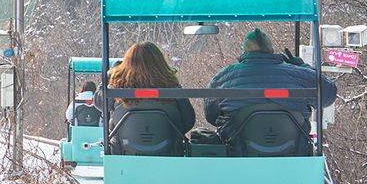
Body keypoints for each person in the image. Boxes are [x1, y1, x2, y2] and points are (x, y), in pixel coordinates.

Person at [204, 29, 336, 126]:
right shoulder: (300, 75)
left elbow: (211, 116)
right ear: (271, 50)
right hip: (294, 148)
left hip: (238, 149)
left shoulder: (223, 78)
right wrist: (302, 66)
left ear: (245, 52)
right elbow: (328, 96)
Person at [106, 41, 195, 137]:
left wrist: (110, 78)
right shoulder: (172, 87)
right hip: (169, 145)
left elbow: (100, 103)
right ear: (160, 63)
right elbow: (188, 120)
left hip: (122, 145)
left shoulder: (117, 88)